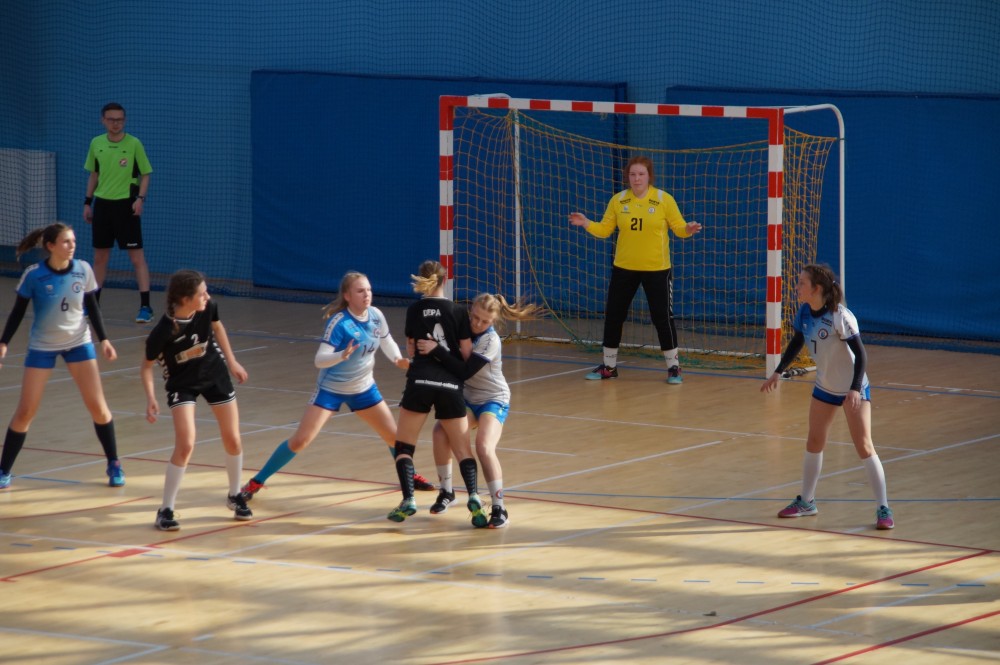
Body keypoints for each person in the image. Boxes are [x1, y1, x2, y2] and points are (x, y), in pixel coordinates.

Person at [239, 271, 438, 501]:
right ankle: (256, 482)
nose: (367, 294)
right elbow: (319, 360)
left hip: (364, 388)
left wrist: (397, 359)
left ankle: (410, 475)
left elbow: (386, 340)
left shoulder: (376, 315)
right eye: (360, 291)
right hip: (331, 390)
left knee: (395, 438)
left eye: (369, 290)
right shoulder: (339, 323)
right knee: (301, 440)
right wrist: (341, 355)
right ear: (347, 296)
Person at [760, 263, 894, 530]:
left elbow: (861, 355)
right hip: (825, 387)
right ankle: (807, 501)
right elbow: (797, 341)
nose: (797, 287)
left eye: (801, 283)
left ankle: (883, 508)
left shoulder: (839, 317)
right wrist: (778, 371)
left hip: (853, 387)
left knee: (864, 446)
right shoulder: (804, 312)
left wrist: (854, 389)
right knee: (814, 441)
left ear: (816, 288)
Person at [0, 223, 125, 489]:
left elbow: (92, 307)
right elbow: (18, 312)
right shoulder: (34, 275)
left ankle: (114, 463)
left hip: (79, 344)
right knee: (26, 411)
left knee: (98, 407)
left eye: (73, 241)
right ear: (51, 246)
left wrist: (104, 340)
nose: (72, 246)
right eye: (66, 241)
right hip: (42, 346)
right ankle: (4, 470)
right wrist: (4, 342)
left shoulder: (83, 269)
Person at [569, 155, 702, 384]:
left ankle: (674, 368)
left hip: (657, 269)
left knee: (662, 318)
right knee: (614, 316)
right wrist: (586, 223)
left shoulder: (663, 199)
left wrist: (688, 229)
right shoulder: (618, 200)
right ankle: (609, 367)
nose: (637, 178)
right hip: (624, 269)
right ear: (627, 177)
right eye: (632, 174)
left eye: (641, 174)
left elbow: (679, 228)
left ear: (649, 176)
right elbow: (604, 230)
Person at [418, 293, 542, 529]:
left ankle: (499, 507)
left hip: (493, 398)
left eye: (484, 321)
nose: (477, 324)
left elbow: (465, 371)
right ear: (470, 311)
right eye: (475, 317)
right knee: (440, 433)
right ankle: (446, 492)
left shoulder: (490, 340)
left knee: (484, 446)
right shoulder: (459, 328)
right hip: (468, 397)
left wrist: (438, 351)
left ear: (493, 321)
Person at [141, 269, 251, 530]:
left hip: (214, 374)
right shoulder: (162, 332)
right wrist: (151, 398)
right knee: (186, 444)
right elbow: (145, 367)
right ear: (185, 299)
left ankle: (235, 494)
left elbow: (217, 326)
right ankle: (165, 510)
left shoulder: (208, 307)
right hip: (182, 383)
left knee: (233, 438)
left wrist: (232, 361)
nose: (207, 297)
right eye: (202, 293)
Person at [386, 260, 486, 527]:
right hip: (450, 385)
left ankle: (408, 499)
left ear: (422, 281)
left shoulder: (414, 309)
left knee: (404, 447)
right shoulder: (458, 311)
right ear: (445, 279)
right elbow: (466, 354)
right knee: (462, 449)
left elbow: (410, 349)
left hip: (420, 381)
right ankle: (474, 496)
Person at [83, 102, 154, 324]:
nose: (116, 123)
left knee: (136, 258)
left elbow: (145, 174)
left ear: (124, 120)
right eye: (112, 119)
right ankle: (93, 305)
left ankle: (146, 307)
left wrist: (140, 199)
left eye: (120, 119)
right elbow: (94, 175)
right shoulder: (96, 143)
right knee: (100, 258)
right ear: (103, 120)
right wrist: (87, 202)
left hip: (126, 206)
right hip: (102, 206)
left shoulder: (134, 144)